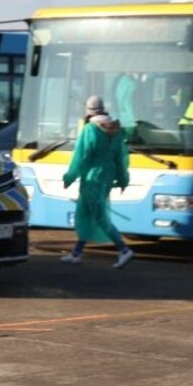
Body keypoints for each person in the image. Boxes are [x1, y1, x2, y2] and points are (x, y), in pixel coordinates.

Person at [61, 99, 134, 268]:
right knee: (88, 213)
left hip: (92, 178)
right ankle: (76, 253)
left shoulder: (90, 130)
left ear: (88, 111)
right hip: (107, 178)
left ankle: (124, 250)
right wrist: (123, 180)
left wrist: (69, 177)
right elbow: (121, 158)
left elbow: (81, 157)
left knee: (98, 216)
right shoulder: (116, 131)